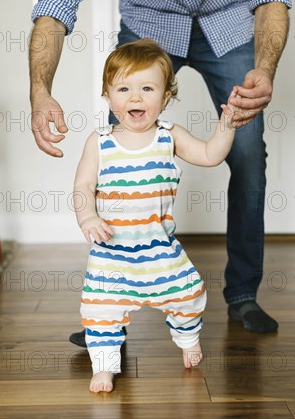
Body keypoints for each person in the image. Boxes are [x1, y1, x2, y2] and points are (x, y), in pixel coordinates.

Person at [29, 0, 291, 340]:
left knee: (248, 154)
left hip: (229, 23)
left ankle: (242, 294)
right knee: (116, 163)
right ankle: (110, 314)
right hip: (149, 28)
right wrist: (40, 89)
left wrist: (265, 68)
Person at [74, 38, 237, 392]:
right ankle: (103, 367)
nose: (135, 97)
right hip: (111, 256)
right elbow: (83, 187)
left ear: (164, 98)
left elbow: (211, 155)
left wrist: (227, 125)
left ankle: (187, 338)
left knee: (187, 293)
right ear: (107, 95)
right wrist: (87, 217)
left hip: (159, 249)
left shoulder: (169, 136)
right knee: (100, 311)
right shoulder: (99, 142)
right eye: (124, 88)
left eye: (147, 88)